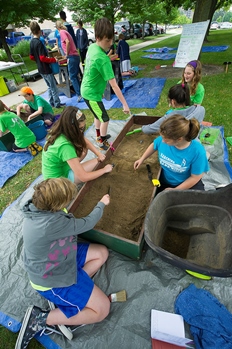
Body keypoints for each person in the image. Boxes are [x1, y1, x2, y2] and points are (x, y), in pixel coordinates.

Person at [15, 177, 110, 349]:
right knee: (102, 309)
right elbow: (88, 222)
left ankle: (77, 285)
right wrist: (101, 203)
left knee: (101, 253)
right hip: (51, 278)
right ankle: (41, 319)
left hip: (58, 256)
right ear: (55, 205)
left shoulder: (37, 207)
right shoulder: (51, 224)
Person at [81, 17, 130, 151]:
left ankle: (98, 135)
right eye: (107, 40)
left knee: (98, 115)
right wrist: (125, 104)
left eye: (111, 39)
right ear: (97, 37)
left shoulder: (92, 47)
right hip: (90, 94)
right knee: (105, 118)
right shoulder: (102, 60)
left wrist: (107, 58)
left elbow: (94, 67)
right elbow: (114, 85)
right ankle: (101, 142)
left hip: (89, 90)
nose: (110, 43)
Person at [134, 114, 209, 191]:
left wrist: (175, 190)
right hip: (166, 181)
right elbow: (154, 145)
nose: (162, 141)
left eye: (166, 139)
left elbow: (195, 177)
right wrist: (142, 159)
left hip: (186, 184)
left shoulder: (198, 152)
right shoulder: (163, 140)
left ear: (179, 139)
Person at [42, 106, 113, 183]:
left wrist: (98, 153)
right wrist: (104, 170)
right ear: (72, 127)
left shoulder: (61, 129)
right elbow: (84, 177)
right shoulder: (65, 147)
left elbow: (84, 141)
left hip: (62, 168)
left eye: (83, 127)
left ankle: (74, 166)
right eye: (80, 128)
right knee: (96, 164)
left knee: (87, 153)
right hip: (57, 182)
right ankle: (72, 174)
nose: (82, 131)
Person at [29, 21, 64, 108]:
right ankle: (57, 103)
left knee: (49, 86)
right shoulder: (38, 43)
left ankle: (51, 102)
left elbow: (31, 57)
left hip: (40, 68)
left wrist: (38, 61)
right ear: (39, 31)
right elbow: (42, 58)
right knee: (53, 87)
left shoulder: (31, 42)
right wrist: (53, 60)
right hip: (45, 68)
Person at [56, 21, 82, 103]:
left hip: (72, 56)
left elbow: (67, 42)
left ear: (57, 28)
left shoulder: (62, 32)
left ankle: (79, 94)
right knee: (76, 76)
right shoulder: (66, 32)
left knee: (73, 77)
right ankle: (81, 92)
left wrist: (66, 54)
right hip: (75, 56)